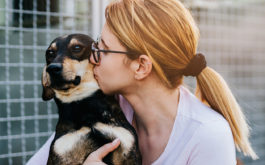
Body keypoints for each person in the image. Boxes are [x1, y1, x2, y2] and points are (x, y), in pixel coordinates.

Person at [27, 0, 258, 165]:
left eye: (102, 49)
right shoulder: (109, 105)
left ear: (141, 66)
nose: (92, 58)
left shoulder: (207, 135)